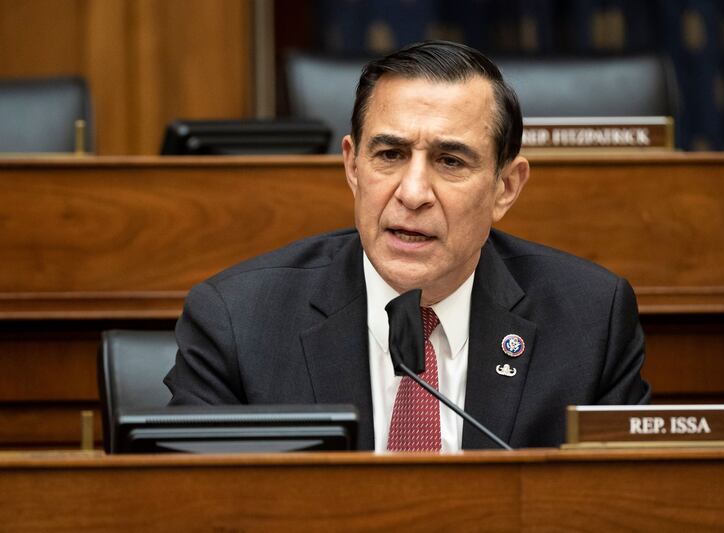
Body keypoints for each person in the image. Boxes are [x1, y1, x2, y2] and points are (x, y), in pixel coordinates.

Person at [164, 40, 650, 451]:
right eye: (390, 155)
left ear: (505, 187)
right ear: (353, 167)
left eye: (450, 161)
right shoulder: (238, 322)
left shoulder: (590, 322)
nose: (412, 193)